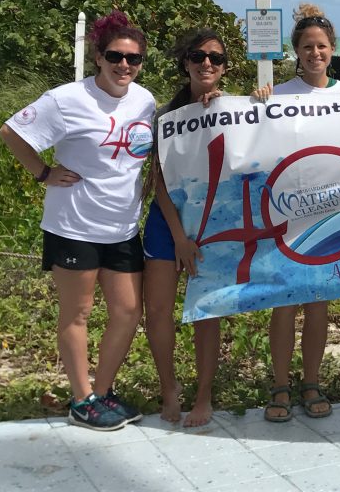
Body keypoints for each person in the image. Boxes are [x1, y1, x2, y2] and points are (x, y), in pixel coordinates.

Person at [0, 10, 155, 431]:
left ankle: (102, 392)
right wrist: (44, 172)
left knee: (127, 311)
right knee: (78, 313)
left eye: (134, 58)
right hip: (73, 224)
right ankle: (81, 398)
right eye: (115, 55)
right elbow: (11, 132)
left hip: (123, 227)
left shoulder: (145, 100)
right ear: (99, 57)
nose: (125, 65)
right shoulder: (66, 99)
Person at [253, 3, 340, 422]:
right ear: (295, 51)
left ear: (333, 48)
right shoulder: (276, 95)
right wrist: (255, 103)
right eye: (307, 46)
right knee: (283, 304)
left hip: (331, 213)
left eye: (321, 46)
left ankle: (312, 382)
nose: (315, 53)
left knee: (319, 301)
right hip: (286, 211)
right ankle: (281, 385)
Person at [143, 29, 227, 427]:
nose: (206, 63)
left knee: (206, 311)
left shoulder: (236, 110)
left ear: (225, 66)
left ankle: (204, 397)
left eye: (215, 57)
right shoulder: (165, 115)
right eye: (198, 56)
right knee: (157, 310)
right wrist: (179, 237)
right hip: (168, 223)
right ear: (186, 62)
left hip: (212, 221)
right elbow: (159, 183)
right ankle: (169, 388)